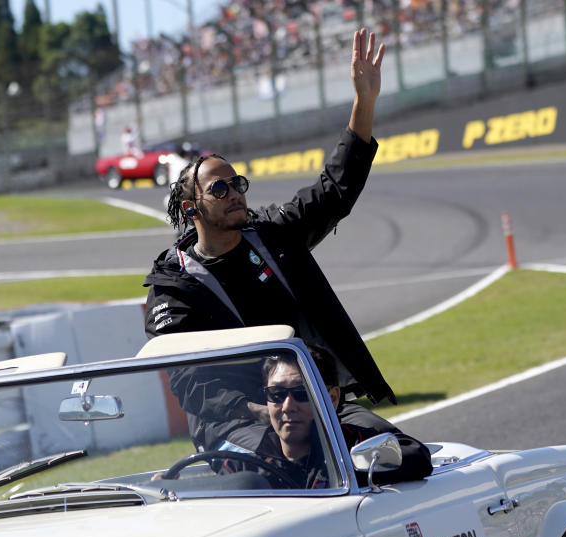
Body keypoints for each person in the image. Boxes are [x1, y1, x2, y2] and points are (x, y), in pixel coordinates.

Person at [144, 29, 400, 442]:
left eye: (237, 183)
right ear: (192, 210)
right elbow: (191, 385)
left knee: (398, 452)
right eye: (219, 189)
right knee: (289, 466)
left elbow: (334, 190)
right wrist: (266, 413)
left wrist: (364, 102)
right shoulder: (174, 289)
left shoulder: (272, 235)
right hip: (237, 425)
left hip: (312, 402)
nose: (234, 194)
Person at [241, 348, 431, 489]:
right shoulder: (247, 463)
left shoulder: (353, 443)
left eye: (302, 393)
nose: (287, 406)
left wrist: (345, 469)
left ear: (332, 398)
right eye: (276, 393)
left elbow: (416, 456)